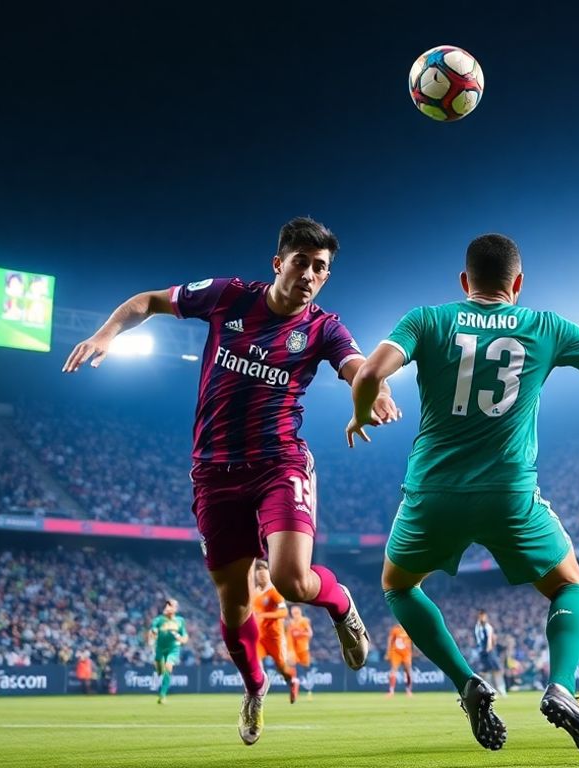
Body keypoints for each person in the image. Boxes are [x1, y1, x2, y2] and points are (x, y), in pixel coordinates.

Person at [347, 233, 579, 764]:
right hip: (510, 494)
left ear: (464, 281)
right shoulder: (547, 326)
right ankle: (561, 687)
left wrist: (363, 411)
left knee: (398, 585)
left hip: (433, 492)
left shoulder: (426, 319)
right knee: (569, 586)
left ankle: (467, 685)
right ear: (518, 284)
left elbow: (367, 372)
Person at [64, 217, 394, 745]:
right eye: (301, 262)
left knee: (289, 578)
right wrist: (105, 333)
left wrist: (371, 389)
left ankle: (341, 606)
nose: (309, 274)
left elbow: (355, 365)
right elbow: (148, 301)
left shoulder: (324, 328)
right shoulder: (227, 297)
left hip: (278, 462)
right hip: (214, 473)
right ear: (278, 262)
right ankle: (254, 688)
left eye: (320, 268)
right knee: (233, 604)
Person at [251, 560, 299, 703]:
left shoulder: (275, 592)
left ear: (269, 574)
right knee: (254, 665)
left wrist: (263, 615)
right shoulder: (253, 593)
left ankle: (293, 680)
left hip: (275, 638)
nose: (261, 575)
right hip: (259, 638)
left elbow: (284, 612)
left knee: (283, 669)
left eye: (264, 572)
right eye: (258, 572)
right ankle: (256, 697)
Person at [148, 599, 188, 704]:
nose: (168, 607)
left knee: (168, 668)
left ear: (175, 608)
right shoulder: (159, 620)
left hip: (173, 649)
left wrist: (182, 639)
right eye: (167, 605)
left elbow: (184, 635)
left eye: (171, 605)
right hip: (160, 649)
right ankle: (159, 668)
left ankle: (162, 695)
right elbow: (153, 629)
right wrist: (154, 633)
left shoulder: (180, 620)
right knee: (160, 671)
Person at [474, 610, 505, 697]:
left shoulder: (487, 627)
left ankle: (500, 689)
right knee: (485, 671)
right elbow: (479, 640)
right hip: (482, 651)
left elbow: (490, 638)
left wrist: (489, 647)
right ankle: (488, 690)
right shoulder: (478, 627)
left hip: (489, 651)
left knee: (496, 670)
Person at [288, 606, 313, 697]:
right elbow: (289, 636)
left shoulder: (304, 621)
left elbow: (310, 634)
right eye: (293, 613)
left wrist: (300, 633)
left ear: (300, 612)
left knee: (304, 670)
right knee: (293, 670)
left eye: (297, 612)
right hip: (294, 650)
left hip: (303, 649)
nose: (295, 614)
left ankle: (308, 688)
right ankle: (295, 691)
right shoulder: (290, 623)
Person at [386, 623, 414, 696]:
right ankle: (391, 691)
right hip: (396, 653)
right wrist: (388, 653)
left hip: (406, 653)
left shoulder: (409, 629)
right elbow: (390, 640)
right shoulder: (395, 629)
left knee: (408, 671)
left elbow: (412, 642)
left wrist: (413, 651)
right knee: (393, 670)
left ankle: (408, 690)